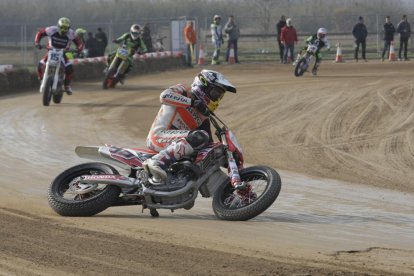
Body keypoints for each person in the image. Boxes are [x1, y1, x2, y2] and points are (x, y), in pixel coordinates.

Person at [143, 69, 236, 183]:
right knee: (199, 136)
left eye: (220, 96)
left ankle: (226, 194)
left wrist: (224, 155)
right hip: (158, 137)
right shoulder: (182, 91)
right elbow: (164, 96)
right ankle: (156, 161)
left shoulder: (203, 116)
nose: (217, 98)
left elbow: (208, 144)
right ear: (203, 86)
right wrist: (191, 102)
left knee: (204, 154)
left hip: (175, 144)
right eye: (215, 93)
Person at [34, 17, 84, 95]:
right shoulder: (52, 29)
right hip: (51, 51)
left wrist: (78, 49)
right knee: (40, 65)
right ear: (58, 26)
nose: (64, 30)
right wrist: (37, 42)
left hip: (63, 53)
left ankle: (67, 85)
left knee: (70, 68)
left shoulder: (71, 33)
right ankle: (41, 79)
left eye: (66, 28)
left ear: (68, 28)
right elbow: (40, 33)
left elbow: (79, 42)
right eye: (62, 28)